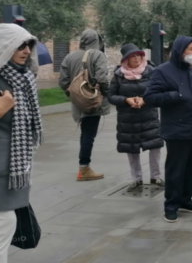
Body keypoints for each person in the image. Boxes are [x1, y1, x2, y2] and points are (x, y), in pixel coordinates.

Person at [0, 24, 41, 263]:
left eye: (28, 45)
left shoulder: (20, 79)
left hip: (6, 175)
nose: (26, 51)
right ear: (2, 47)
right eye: (20, 45)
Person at [143, 36, 192, 223]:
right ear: (179, 50)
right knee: (176, 170)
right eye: (189, 49)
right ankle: (171, 205)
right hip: (176, 130)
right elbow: (150, 97)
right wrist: (175, 95)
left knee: (191, 168)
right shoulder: (163, 72)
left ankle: (186, 200)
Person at [108, 44, 163, 191]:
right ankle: (136, 179)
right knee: (131, 149)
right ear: (126, 59)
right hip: (128, 118)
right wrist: (126, 100)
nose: (137, 57)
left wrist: (145, 99)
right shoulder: (119, 75)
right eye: (133, 56)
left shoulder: (152, 72)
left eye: (139, 54)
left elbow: (158, 91)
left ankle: (156, 177)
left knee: (155, 146)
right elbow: (111, 96)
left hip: (149, 116)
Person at [58, 29, 110, 182]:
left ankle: (84, 166)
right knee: (89, 134)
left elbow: (62, 82)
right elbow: (102, 77)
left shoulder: (69, 56)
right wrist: (107, 94)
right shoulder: (97, 55)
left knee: (85, 132)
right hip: (93, 101)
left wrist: (75, 95)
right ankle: (84, 167)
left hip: (78, 103)